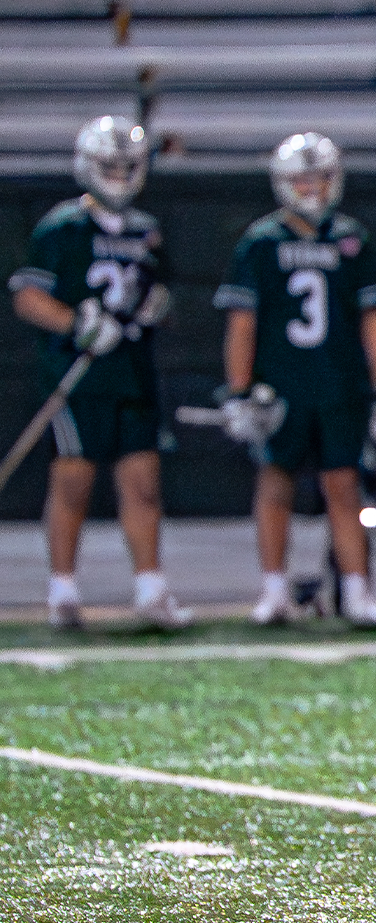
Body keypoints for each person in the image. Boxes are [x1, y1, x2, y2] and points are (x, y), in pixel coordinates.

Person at [214, 131, 376, 629]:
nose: (312, 187)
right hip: (281, 384)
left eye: (320, 177)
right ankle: (274, 588)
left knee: (343, 486)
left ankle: (357, 590)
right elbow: (243, 323)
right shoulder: (262, 242)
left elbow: (373, 320)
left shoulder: (351, 239)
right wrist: (238, 390)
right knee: (275, 483)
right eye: (302, 178)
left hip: (339, 382)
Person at [7, 116, 190, 630]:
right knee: (73, 482)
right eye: (108, 166)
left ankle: (151, 589)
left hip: (131, 372)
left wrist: (157, 305)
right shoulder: (61, 227)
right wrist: (77, 322)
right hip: (79, 373)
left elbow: (161, 295)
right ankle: (62, 590)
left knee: (144, 484)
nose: (118, 176)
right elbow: (27, 295)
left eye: (127, 166)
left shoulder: (145, 231)